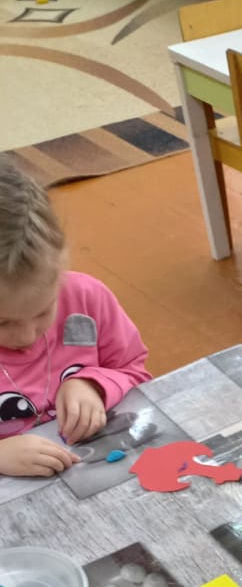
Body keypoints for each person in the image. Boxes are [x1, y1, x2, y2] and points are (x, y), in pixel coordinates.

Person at [0, 154, 150, 479]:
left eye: (43, 310)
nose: (26, 336)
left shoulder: (85, 299)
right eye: (2, 323)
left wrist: (94, 384)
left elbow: (134, 369)